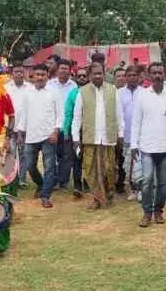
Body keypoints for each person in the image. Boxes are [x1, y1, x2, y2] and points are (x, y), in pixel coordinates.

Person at [131, 62, 166, 226]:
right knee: (146, 181)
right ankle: (146, 213)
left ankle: (158, 211)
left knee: (163, 184)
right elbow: (136, 122)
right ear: (148, 75)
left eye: (160, 73)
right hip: (146, 146)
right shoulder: (142, 95)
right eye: (154, 73)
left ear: (164, 74)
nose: (157, 76)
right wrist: (134, 144)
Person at [72, 62, 124, 210]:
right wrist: (76, 138)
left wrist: (120, 134)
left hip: (109, 137)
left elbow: (119, 115)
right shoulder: (82, 92)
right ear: (89, 76)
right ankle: (96, 198)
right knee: (91, 170)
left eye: (100, 73)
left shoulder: (113, 90)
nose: (97, 76)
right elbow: (77, 118)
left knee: (109, 168)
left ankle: (108, 193)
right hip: (90, 138)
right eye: (94, 73)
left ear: (104, 74)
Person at [17, 63, 61, 208]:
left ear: (47, 76)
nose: (40, 77)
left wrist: (55, 131)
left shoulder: (53, 93)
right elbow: (23, 115)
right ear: (33, 76)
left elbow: (60, 114)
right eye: (38, 75)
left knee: (49, 167)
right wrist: (20, 134)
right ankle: (41, 184)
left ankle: (45, 195)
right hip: (31, 135)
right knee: (30, 165)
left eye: (43, 75)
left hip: (49, 136)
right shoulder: (27, 94)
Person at [48, 59, 78, 190]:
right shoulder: (49, 85)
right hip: (52, 125)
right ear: (57, 69)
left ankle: (62, 180)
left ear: (70, 71)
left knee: (66, 155)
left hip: (67, 126)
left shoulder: (74, 86)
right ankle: (52, 179)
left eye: (66, 68)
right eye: (61, 68)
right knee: (52, 155)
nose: (64, 71)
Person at [5, 62, 34, 187]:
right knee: (10, 153)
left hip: (26, 127)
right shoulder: (6, 88)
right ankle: (11, 179)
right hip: (9, 127)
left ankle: (21, 179)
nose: (19, 74)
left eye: (21, 72)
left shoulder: (30, 88)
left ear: (25, 73)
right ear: (12, 73)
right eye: (16, 71)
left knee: (24, 154)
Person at [119, 65, 145, 201]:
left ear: (139, 77)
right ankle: (132, 190)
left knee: (140, 163)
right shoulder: (119, 93)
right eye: (129, 75)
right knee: (128, 164)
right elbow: (118, 115)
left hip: (141, 136)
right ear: (125, 77)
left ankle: (141, 189)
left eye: (135, 75)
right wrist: (120, 134)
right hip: (126, 134)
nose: (132, 78)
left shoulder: (145, 92)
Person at [62, 66, 88, 198]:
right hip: (76, 131)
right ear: (76, 78)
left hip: (90, 132)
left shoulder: (92, 92)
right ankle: (78, 186)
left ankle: (89, 183)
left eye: (84, 75)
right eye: (79, 76)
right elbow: (68, 114)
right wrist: (66, 131)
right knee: (76, 160)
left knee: (89, 159)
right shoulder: (73, 94)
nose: (82, 78)